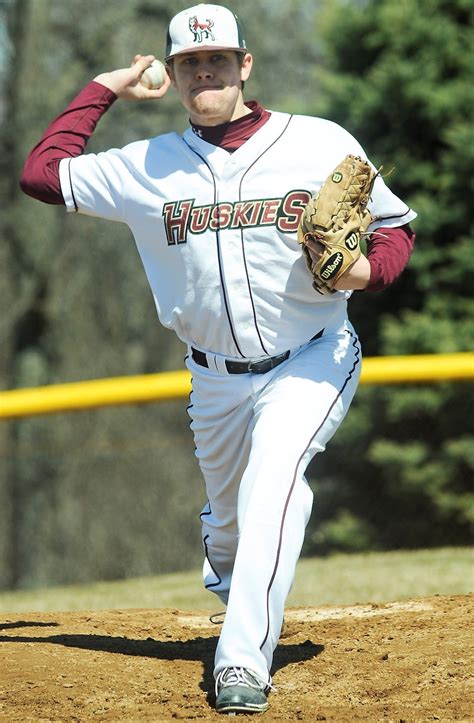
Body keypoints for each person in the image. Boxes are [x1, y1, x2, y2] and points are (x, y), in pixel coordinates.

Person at [20, 3, 417, 715]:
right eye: (190, 63)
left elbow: (393, 226)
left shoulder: (318, 141)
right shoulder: (147, 166)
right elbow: (43, 174)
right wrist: (105, 85)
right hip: (213, 378)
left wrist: (371, 272)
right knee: (233, 530)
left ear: (245, 66)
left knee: (277, 483)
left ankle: (241, 663)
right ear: (173, 75)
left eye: (219, 60)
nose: (206, 72)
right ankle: (225, 546)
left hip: (313, 356)